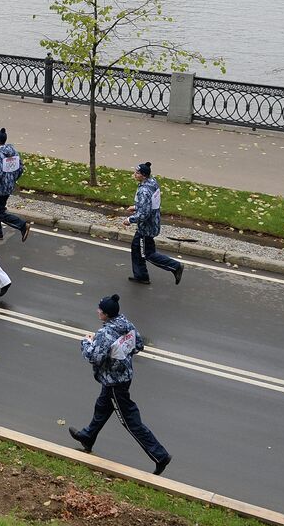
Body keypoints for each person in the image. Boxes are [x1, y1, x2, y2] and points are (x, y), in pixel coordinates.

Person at [68, 294, 172, 475]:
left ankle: (160, 455)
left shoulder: (105, 333)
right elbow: (139, 345)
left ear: (106, 314)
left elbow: (94, 357)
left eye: (99, 309)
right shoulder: (126, 323)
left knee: (130, 420)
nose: (97, 311)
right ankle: (88, 436)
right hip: (123, 376)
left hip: (115, 382)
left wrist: (86, 341)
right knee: (102, 406)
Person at [122, 162, 184, 286]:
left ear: (143, 175)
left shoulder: (143, 191)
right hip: (153, 223)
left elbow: (144, 214)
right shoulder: (152, 182)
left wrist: (130, 220)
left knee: (147, 254)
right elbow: (149, 205)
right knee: (136, 248)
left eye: (137, 173)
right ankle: (141, 275)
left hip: (146, 228)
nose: (134, 174)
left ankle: (175, 266)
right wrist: (136, 207)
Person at [0, 128, 30, 242]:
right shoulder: (13, 152)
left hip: (0, 188)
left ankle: (22, 225)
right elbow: (20, 169)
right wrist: (12, 180)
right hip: (9, 186)